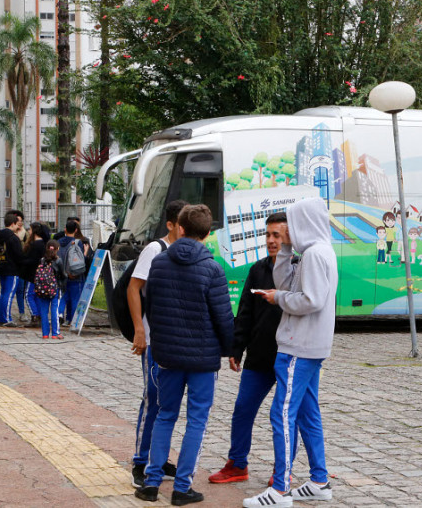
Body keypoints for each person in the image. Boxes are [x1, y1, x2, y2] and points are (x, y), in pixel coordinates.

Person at [134, 204, 234, 507]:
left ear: (180, 227)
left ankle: (150, 484)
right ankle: (182, 488)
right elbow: (223, 316)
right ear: (207, 233)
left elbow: (152, 307)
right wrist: (230, 350)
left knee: (165, 415)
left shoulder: (160, 264)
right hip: (203, 359)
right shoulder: (213, 268)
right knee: (196, 421)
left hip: (166, 356)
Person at [243, 198, 338, 508]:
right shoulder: (315, 251)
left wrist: (279, 298)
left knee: (282, 413)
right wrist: (285, 251)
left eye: (291, 226)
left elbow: (309, 299)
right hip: (310, 345)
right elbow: (284, 280)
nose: (286, 233)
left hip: (300, 345)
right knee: (308, 414)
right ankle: (319, 480)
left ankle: (280, 488)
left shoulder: (313, 255)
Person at [209, 212, 296, 486]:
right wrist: (236, 349)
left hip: (290, 356)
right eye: (268, 235)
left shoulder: (298, 269)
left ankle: (283, 470)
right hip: (259, 356)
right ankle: (237, 463)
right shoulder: (257, 270)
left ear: (289, 238)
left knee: (285, 417)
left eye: (276, 235)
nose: (271, 241)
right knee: (243, 408)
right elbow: (244, 313)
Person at [128, 199, 186, 488]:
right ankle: (141, 461)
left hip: (177, 342)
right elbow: (134, 288)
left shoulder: (186, 252)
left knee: (169, 403)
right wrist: (140, 329)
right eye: (181, 225)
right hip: (153, 341)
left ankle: (158, 457)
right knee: (152, 400)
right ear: (171, 224)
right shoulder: (155, 249)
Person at [0, 211, 25, 327]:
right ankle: (6, 319)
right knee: (9, 294)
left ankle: (4, 316)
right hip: (12, 270)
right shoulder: (13, 238)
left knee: (4, 293)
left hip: (2, 266)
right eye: (17, 224)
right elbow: (19, 256)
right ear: (12, 224)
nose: (18, 226)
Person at [58, 220, 90, 327]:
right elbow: (80, 262)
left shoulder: (59, 242)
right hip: (75, 275)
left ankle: (60, 313)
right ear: (76, 230)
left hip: (63, 275)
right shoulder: (77, 243)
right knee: (75, 299)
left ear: (65, 229)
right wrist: (85, 252)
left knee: (64, 297)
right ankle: (73, 321)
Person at [20, 222, 49, 327]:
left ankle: (35, 316)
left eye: (30, 229)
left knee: (28, 295)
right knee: (37, 296)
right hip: (41, 275)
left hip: (32, 274)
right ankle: (40, 316)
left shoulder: (34, 245)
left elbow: (31, 260)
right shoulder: (44, 244)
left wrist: (22, 261)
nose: (29, 231)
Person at [33, 240, 63, 340]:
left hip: (42, 289)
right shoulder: (58, 260)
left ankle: (45, 334)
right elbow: (62, 275)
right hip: (54, 289)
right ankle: (55, 333)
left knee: (44, 311)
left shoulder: (42, 260)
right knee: (54, 310)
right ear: (57, 249)